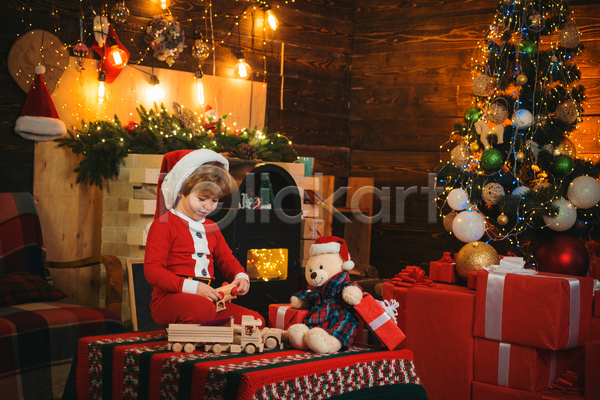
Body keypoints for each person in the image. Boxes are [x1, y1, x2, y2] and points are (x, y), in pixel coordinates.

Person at [144, 149, 264, 327]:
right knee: (203, 310)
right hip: (168, 300)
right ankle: (206, 328)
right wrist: (194, 288)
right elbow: (153, 271)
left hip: (209, 301)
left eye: (214, 200)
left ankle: (207, 330)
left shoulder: (212, 228)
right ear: (179, 190)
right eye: (202, 198)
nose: (208, 206)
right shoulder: (164, 225)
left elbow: (227, 260)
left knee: (255, 322)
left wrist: (241, 276)